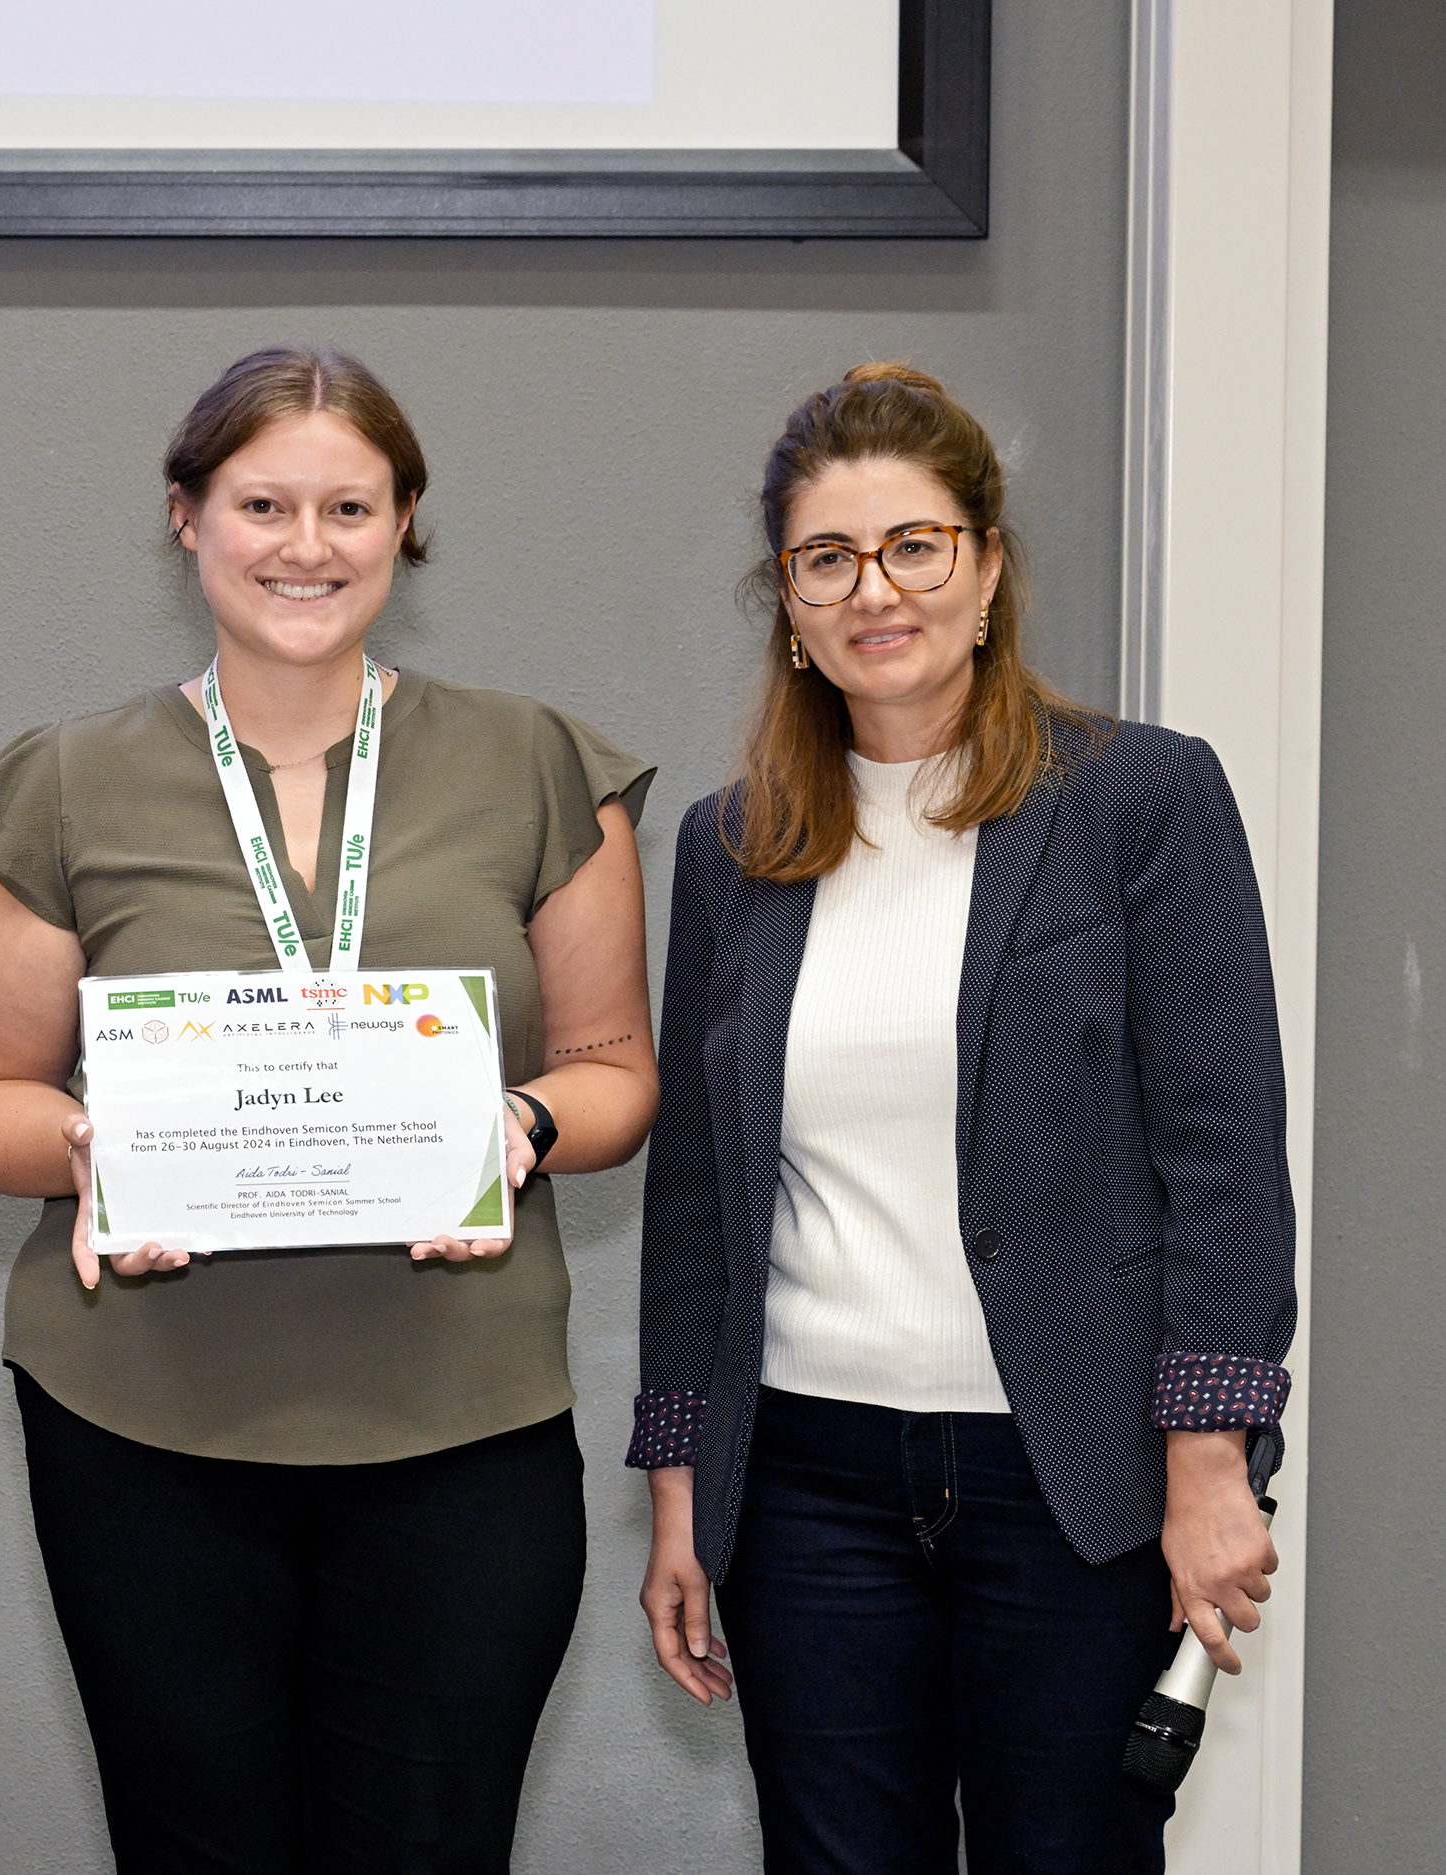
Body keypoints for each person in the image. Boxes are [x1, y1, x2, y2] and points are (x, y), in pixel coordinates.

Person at [0, 345, 659, 1873]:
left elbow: (613, 1071)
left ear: (406, 526)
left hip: (461, 1426)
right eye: (264, 502)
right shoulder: (64, 785)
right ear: (187, 517)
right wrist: (92, 1149)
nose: (306, 546)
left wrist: (519, 1129)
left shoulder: (538, 766)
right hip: (143, 1421)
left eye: (350, 505)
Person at [627, 363, 1296, 1873]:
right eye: (828, 559)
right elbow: (695, 1208)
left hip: (1072, 1482)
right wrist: (682, 1486)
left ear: (988, 565)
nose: (878, 590)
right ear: (787, 602)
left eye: (916, 545)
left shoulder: (1141, 798)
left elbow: (1226, 1162)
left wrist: (1210, 1461)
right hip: (805, 1485)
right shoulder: (733, 848)